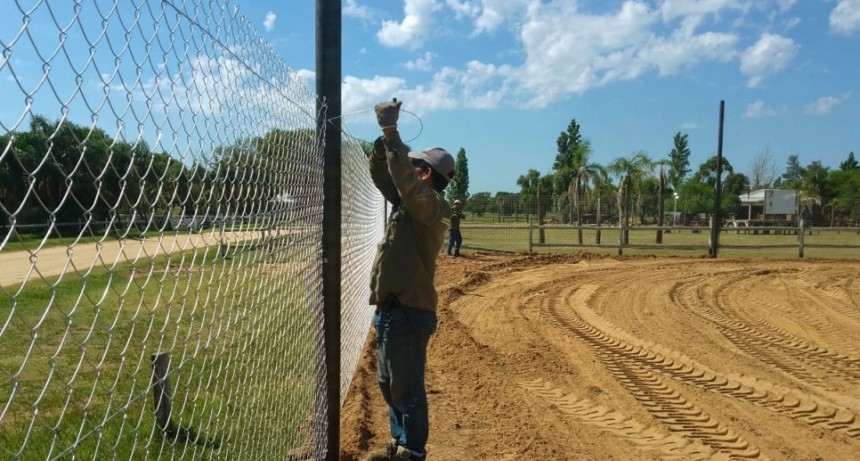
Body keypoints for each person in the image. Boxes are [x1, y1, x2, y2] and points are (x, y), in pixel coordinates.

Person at [366, 98, 455, 461]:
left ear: (426, 174)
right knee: (389, 385)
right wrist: (382, 144)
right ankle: (400, 445)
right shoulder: (411, 203)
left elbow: (402, 179)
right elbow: (384, 175)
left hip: (408, 313)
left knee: (407, 388)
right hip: (393, 310)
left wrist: (392, 133)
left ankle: (413, 452)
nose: (409, 168)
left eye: (416, 165)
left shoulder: (432, 206)